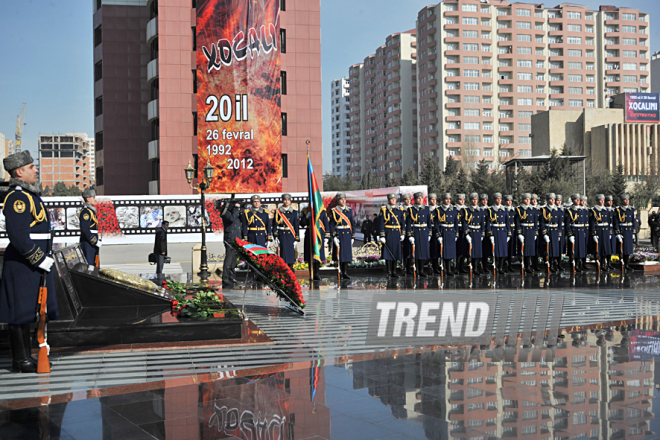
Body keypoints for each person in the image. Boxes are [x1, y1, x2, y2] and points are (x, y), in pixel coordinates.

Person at [0, 151, 57, 373]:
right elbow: (18, 236)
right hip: (24, 264)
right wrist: (39, 258)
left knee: (31, 311)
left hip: (32, 264)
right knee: (20, 312)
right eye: (31, 167)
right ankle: (20, 359)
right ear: (19, 172)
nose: (36, 170)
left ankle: (27, 356)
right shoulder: (18, 198)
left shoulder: (29, 195)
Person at [217, 198, 242, 288]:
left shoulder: (236, 213)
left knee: (234, 260)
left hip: (237, 239)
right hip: (230, 239)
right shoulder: (225, 212)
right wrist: (236, 209)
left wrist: (239, 210)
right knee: (229, 259)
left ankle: (232, 277)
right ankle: (226, 278)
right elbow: (231, 219)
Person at [329, 193, 355, 279]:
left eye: (344, 199)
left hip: (347, 233)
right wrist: (334, 237)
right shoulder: (334, 211)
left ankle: (345, 272)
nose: (343, 201)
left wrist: (353, 236)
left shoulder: (349, 210)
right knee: (340, 254)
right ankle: (340, 271)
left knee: (346, 254)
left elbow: (352, 223)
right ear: (338, 201)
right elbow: (331, 225)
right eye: (341, 199)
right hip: (339, 234)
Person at [300, 205, 330, 281]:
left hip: (319, 234)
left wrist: (327, 236)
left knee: (318, 255)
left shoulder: (322, 210)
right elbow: (302, 223)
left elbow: (325, 223)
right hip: (309, 234)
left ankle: (317, 273)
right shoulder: (306, 210)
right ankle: (311, 273)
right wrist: (307, 216)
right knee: (310, 255)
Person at [378, 193, 404, 278]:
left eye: (394, 199)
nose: (393, 200)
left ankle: (394, 271)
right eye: (391, 199)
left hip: (396, 233)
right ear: (388, 200)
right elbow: (381, 222)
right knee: (388, 253)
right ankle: (389, 272)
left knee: (396, 252)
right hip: (388, 232)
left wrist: (403, 233)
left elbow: (402, 223)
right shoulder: (384, 209)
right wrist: (382, 235)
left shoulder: (399, 209)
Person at [406, 192, 432, 277]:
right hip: (416, 232)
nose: (420, 200)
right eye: (418, 198)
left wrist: (429, 234)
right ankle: (416, 269)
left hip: (424, 232)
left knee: (423, 252)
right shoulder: (411, 209)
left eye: (421, 198)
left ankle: (421, 270)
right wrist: (410, 235)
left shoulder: (426, 209)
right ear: (415, 200)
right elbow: (409, 224)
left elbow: (429, 222)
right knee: (416, 252)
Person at [435, 193, 459, 276]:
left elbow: (456, 222)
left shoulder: (454, 209)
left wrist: (456, 234)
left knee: (450, 252)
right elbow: (436, 224)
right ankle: (444, 268)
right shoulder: (439, 210)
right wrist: (438, 235)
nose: (448, 200)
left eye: (449, 199)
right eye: (446, 199)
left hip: (451, 231)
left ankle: (449, 269)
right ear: (443, 200)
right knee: (444, 252)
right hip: (443, 231)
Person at [272, 194, 299, 270]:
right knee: (283, 253)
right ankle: (284, 270)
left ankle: (291, 269)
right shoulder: (278, 212)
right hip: (282, 234)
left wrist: (297, 238)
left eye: (288, 200)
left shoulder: (294, 212)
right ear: (282, 201)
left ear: (290, 202)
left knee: (291, 253)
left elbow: (296, 225)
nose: (286, 201)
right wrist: (275, 236)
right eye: (285, 200)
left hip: (290, 235)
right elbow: (275, 225)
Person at [463, 193, 486, 275]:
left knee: (477, 252)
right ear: (470, 200)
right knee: (471, 251)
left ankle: (476, 268)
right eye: (473, 199)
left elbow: (483, 223)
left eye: (476, 199)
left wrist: (482, 234)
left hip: (478, 232)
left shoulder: (481, 210)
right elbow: (464, 223)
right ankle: (470, 267)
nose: (474, 201)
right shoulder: (467, 210)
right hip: (471, 232)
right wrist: (466, 234)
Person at [487, 193, 510, 274]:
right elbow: (488, 223)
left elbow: (507, 222)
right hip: (495, 231)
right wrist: (490, 234)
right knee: (496, 251)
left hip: (503, 231)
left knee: (503, 251)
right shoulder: (491, 210)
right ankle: (495, 266)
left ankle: (500, 267)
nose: (499, 200)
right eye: (497, 199)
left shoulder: (504, 209)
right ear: (494, 200)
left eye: (500, 198)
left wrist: (508, 233)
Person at [516, 193, 539, 274]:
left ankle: (530, 266)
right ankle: (526, 266)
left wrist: (536, 232)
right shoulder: (519, 209)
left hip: (531, 230)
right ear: (523, 200)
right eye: (526, 199)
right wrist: (519, 233)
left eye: (529, 199)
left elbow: (535, 222)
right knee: (524, 250)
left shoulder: (533, 209)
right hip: (524, 230)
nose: (528, 201)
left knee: (531, 250)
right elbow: (517, 222)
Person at [589, 194, 613, 272]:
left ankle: (604, 264)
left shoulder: (606, 210)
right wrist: (594, 233)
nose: (602, 201)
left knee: (605, 249)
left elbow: (609, 222)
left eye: (603, 199)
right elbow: (592, 222)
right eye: (600, 200)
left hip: (606, 231)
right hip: (599, 230)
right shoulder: (593, 210)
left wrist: (609, 232)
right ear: (597, 201)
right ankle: (598, 264)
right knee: (599, 249)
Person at [540, 193, 564, 272]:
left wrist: (559, 233)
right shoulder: (544, 210)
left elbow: (560, 223)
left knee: (555, 249)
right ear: (547, 200)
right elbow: (542, 223)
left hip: (555, 231)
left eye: (554, 199)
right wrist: (544, 233)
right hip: (548, 230)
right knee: (549, 249)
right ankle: (548, 263)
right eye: (551, 199)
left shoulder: (558, 210)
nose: (553, 200)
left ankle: (554, 263)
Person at [566, 194, 589, 272]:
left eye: (579, 199)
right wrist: (570, 234)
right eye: (576, 199)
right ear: (572, 200)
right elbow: (567, 224)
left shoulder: (581, 210)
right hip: (574, 231)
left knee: (581, 249)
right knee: (574, 250)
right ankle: (573, 265)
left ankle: (580, 264)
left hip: (581, 232)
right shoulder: (569, 210)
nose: (578, 200)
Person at [79, 188, 101, 267]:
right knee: (90, 265)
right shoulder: (86, 212)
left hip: (91, 242)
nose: (95, 199)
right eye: (93, 197)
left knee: (95, 263)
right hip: (88, 243)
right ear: (88, 199)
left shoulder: (90, 211)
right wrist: (94, 241)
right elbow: (85, 229)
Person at [614, 193, 636, 272]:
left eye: (628, 199)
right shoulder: (618, 209)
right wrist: (618, 233)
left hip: (629, 230)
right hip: (622, 230)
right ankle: (622, 264)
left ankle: (627, 264)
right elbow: (616, 222)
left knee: (628, 249)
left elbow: (633, 221)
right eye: (625, 200)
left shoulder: (631, 209)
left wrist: (633, 232)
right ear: (622, 201)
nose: (627, 201)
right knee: (622, 249)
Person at [427, 193, 442, 274]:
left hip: (438, 231)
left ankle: (437, 267)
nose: (434, 201)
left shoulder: (439, 209)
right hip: (429, 230)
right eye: (432, 199)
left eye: (435, 199)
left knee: (437, 249)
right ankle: (431, 266)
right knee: (431, 250)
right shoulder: (427, 209)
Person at [400, 193, 414, 275]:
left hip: (412, 231)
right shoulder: (401, 210)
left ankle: (410, 268)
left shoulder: (413, 209)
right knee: (404, 251)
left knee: (411, 251)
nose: (408, 201)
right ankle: (404, 267)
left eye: (409, 199)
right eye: (406, 199)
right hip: (404, 231)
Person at [454, 194, 469, 274]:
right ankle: (455, 267)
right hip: (457, 230)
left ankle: (461, 266)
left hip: (464, 231)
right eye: (460, 199)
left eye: (463, 199)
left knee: (463, 249)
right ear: (457, 200)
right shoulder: (454, 209)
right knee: (456, 249)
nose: (462, 201)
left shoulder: (467, 209)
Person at [480, 194, 493, 270]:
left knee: (488, 249)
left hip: (489, 231)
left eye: (486, 200)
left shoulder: (490, 209)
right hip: (480, 231)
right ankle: (482, 265)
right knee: (481, 249)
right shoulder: (478, 209)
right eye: (483, 200)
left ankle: (487, 265)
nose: (484, 201)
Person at [504, 195, 517, 273]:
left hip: (513, 230)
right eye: (508, 201)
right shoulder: (503, 209)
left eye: (510, 201)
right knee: (505, 249)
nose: (509, 202)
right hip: (505, 231)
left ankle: (510, 264)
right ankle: (504, 264)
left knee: (511, 249)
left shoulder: (514, 210)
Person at [555, 195, 566, 270]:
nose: (559, 202)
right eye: (557, 200)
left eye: (560, 200)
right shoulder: (554, 209)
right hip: (555, 229)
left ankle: (559, 263)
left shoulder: (564, 210)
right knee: (554, 248)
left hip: (562, 229)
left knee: (560, 248)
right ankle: (554, 263)